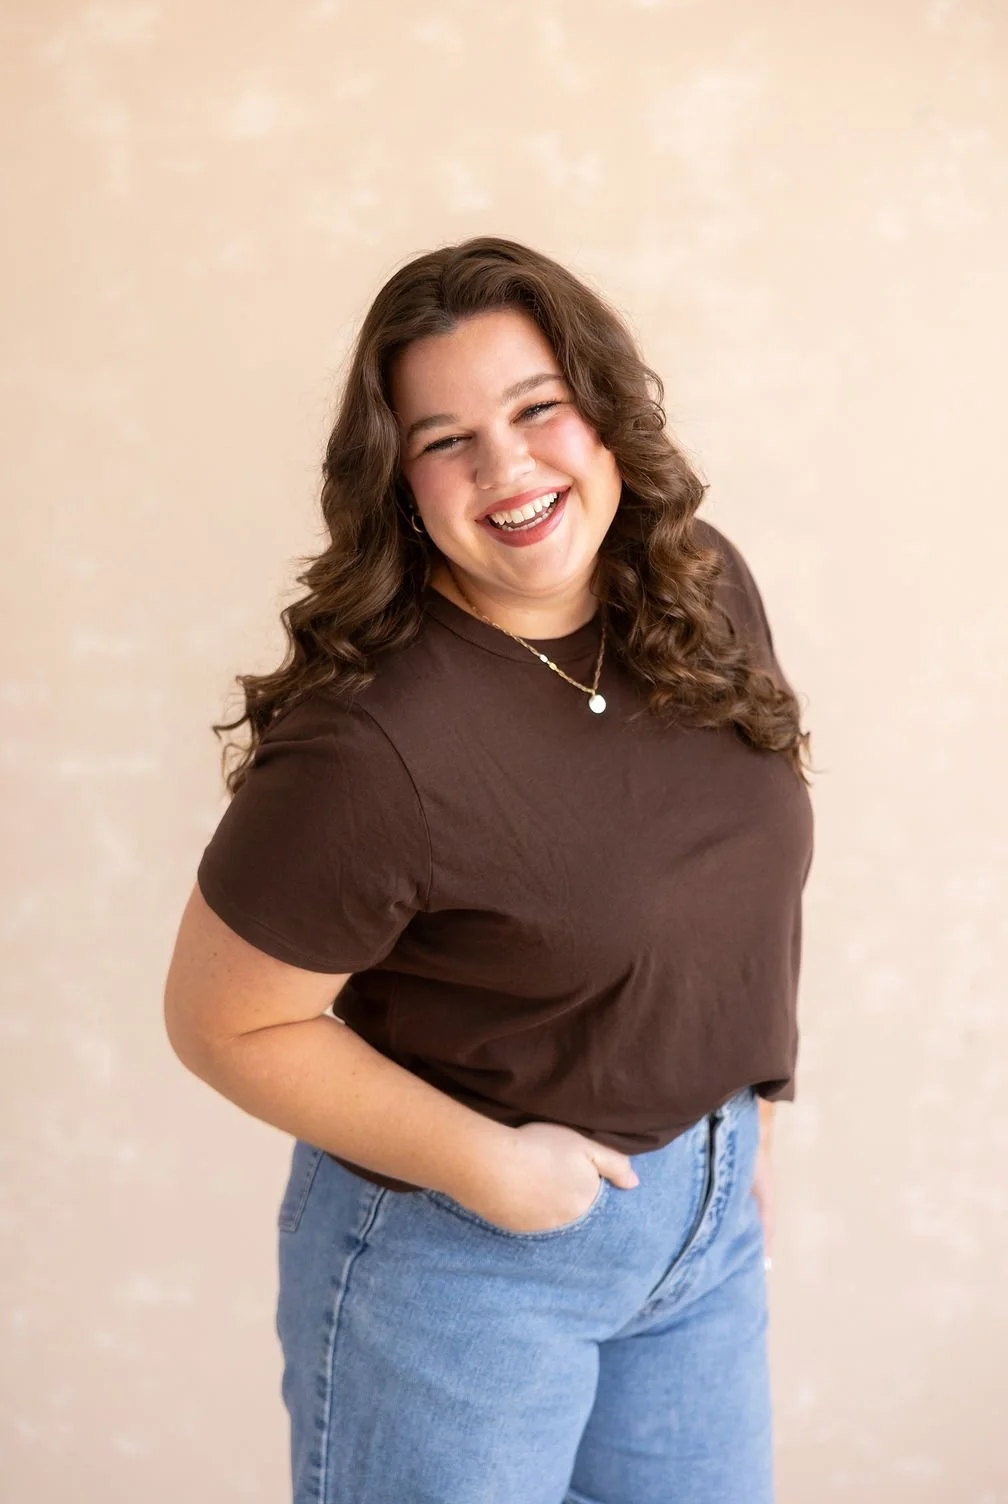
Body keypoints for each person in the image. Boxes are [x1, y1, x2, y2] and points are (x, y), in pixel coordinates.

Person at [163, 235, 815, 1504]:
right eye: (445, 439)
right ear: (400, 481)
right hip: (462, 1269)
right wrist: (490, 1171)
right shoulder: (370, 743)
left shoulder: (698, 586)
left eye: (536, 408)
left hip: (701, 1245)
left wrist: (747, 1133)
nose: (507, 469)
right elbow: (220, 1022)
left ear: (604, 411)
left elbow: (737, 892)